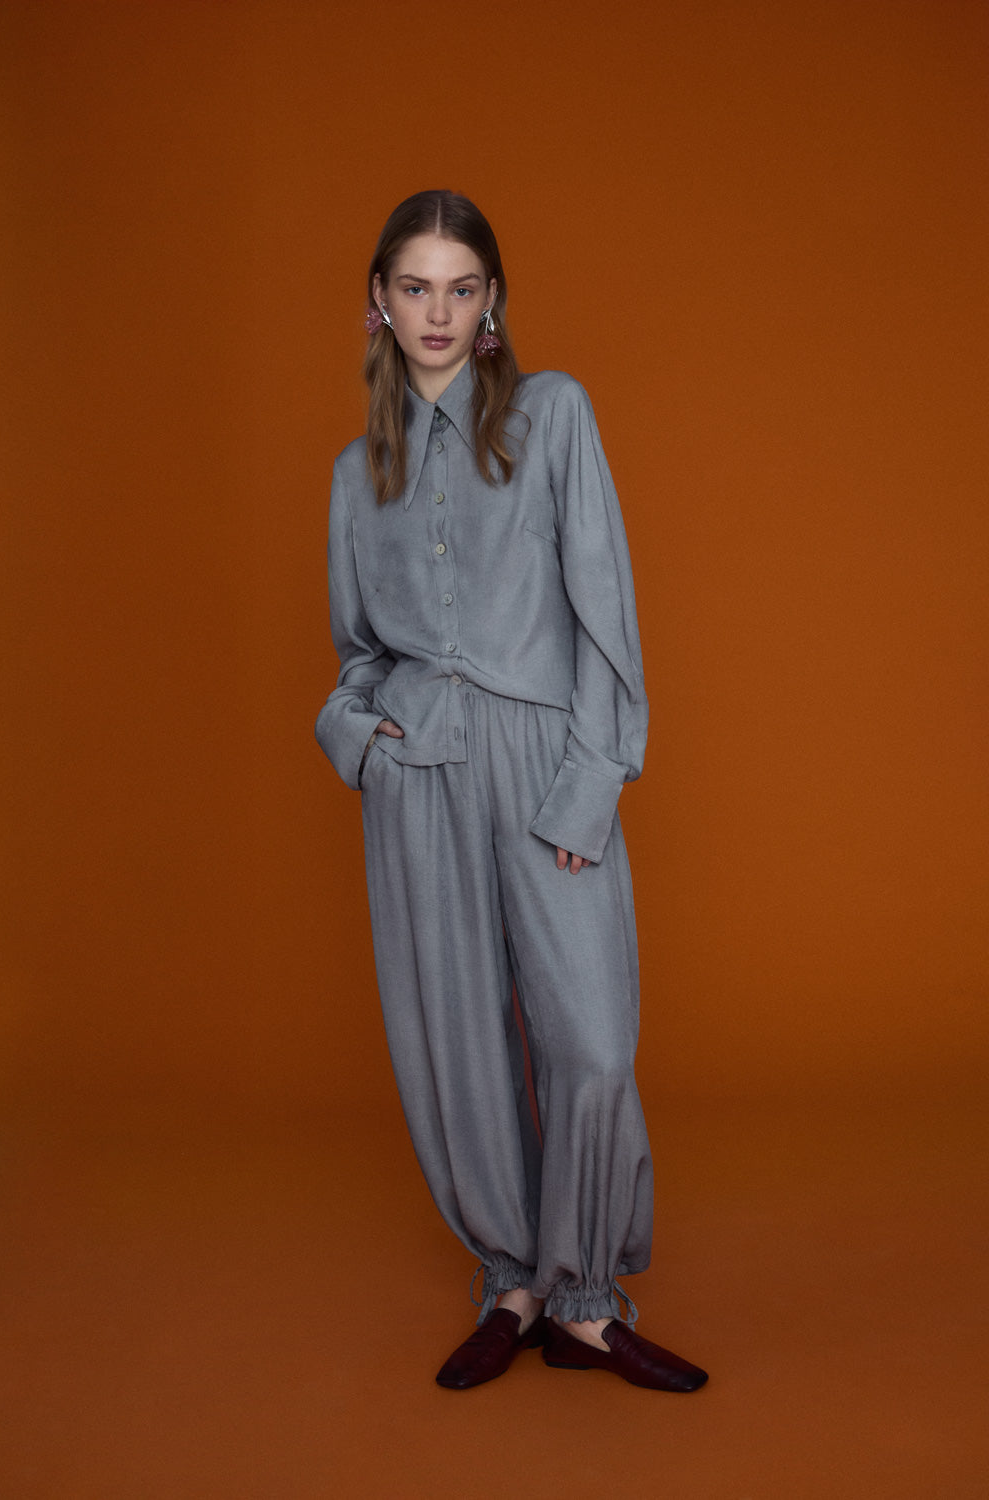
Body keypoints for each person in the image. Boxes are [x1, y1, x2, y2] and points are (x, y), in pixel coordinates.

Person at [315, 190, 708, 1394]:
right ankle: (516, 1283)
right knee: (464, 1051)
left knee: (588, 1041)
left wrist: (591, 786)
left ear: (493, 307)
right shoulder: (354, 475)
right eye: (415, 286)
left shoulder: (551, 416)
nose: (437, 310)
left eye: (462, 286)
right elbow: (355, 662)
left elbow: (608, 616)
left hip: (545, 768)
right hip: (418, 783)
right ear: (377, 303)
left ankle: (587, 1297)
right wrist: (362, 743)